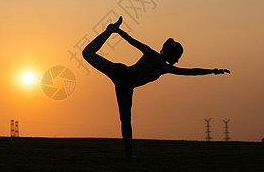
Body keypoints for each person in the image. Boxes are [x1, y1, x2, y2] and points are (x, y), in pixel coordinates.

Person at [82, 16, 230, 157]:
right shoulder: (150, 53)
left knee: (126, 120)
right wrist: (116, 31)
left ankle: (129, 154)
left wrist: (213, 71)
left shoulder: (165, 68)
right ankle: (109, 30)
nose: (178, 60)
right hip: (120, 72)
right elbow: (131, 41)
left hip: (126, 88)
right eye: (177, 56)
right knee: (87, 53)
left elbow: (190, 71)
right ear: (170, 53)